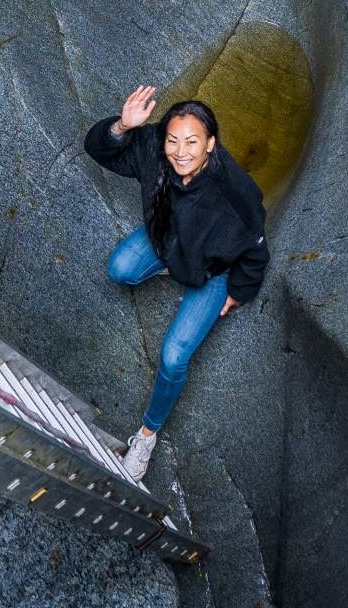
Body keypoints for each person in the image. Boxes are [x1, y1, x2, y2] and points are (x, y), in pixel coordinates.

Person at [84, 85, 269, 482]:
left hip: (213, 271)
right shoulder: (153, 149)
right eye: (173, 140)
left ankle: (147, 436)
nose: (180, 151)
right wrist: (122, 126)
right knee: (120, 269)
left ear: (211, 145)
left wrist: (239, 291)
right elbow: (99, 150)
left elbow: (256, 250)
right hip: (166, 240)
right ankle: (174, 266)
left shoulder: (235, 193)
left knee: (172, 357)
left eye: (192, 142)